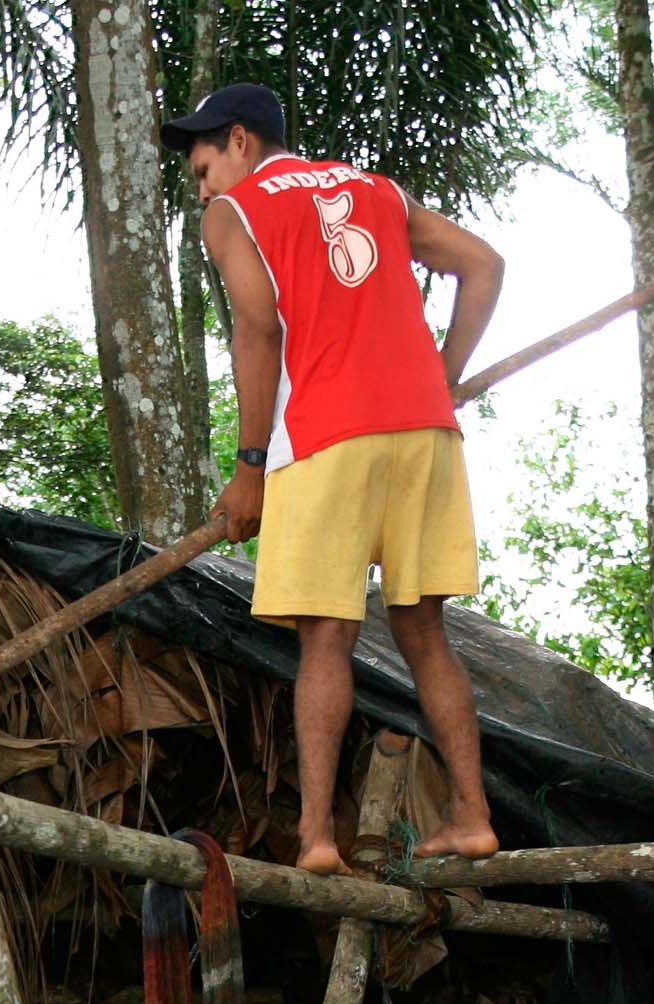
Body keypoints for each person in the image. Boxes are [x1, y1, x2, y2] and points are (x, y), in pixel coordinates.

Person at [162, 82, 506, 873]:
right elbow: (484, 266)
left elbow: (258, 330)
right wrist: (444, 376)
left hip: (325, 435)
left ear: (240, 142)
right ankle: (473, 814)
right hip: (424, 431)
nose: (204, 186)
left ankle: (317, 837)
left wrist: (250, 469)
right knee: (424, 630)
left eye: (203, 165)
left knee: (325, 637)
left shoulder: (235, 212)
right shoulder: (373, 189)